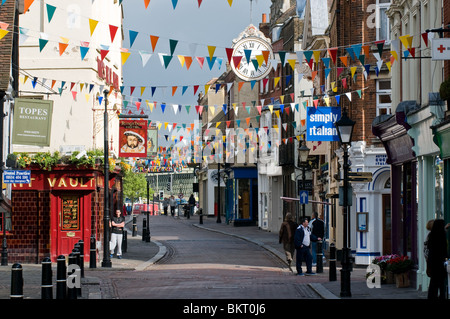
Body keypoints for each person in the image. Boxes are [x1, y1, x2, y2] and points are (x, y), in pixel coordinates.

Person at [426, 219, 448, 299]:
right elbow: (443, 250)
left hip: (433, 262)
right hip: (439, 263)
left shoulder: (432, 236)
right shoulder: (440, 236)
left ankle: (433, 296)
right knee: (440, 282)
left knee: (434, 282)